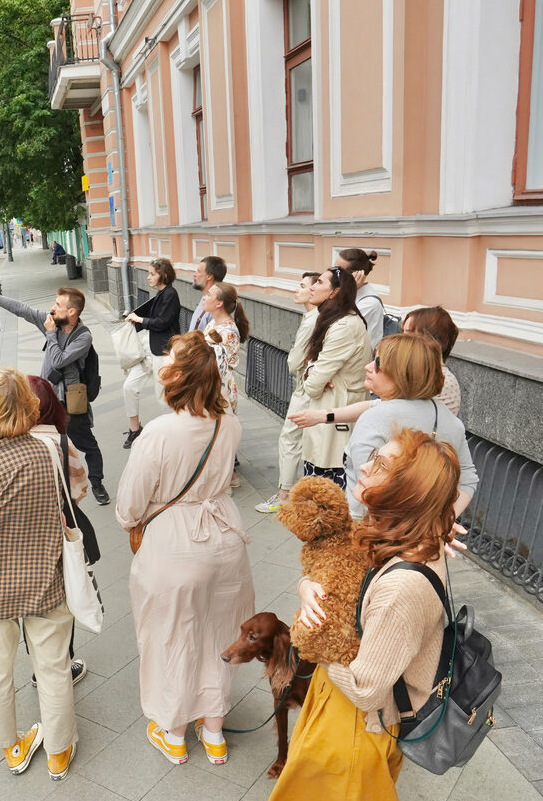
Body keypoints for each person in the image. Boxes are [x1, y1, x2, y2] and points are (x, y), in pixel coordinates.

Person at [264, 427, 462, 801]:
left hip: (365, 716)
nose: (365, 464)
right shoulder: (405, 536)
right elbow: (343, 569)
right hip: (354, 709)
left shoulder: (403, 586)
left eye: (381, 464)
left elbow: (370, 687)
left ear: (407, 494)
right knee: (353, 799)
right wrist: (309, 586)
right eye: (373, 456)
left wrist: (311, 643)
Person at [115, 333, 254, 767]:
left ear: (178, 376)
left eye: (169, 361)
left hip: (175, 545)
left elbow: (131, 504)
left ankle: (174, 732)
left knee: (172, 636)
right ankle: (214, 731)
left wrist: (129, 523)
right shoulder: (228, 424)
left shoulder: (158, 433)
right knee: (218, 632)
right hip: (226, 540)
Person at [0, 368, 78, 780]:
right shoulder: (45, 449)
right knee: (54, 666)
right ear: (28, 406)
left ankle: (11, 747)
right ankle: (59, 750)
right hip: (44, 576)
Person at [0, 283, 109, 505]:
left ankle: (96, 483)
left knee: (88, 445)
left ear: (72, 312)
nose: (52, 308)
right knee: (40, 443)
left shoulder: (83, 337)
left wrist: (50, 334)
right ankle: (49, 485)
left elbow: (58, 360)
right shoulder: (52, 320)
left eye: (58, 305)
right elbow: (23, 309)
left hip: (70, 403)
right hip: (45, 400)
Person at [340, 334, 479, 520]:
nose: (369, 366)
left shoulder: (376, 418)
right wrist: (441, 522)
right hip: (420, 538)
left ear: (404, 372)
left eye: (379, 363)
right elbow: (468, 479)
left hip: (366, 533)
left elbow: (369, 488)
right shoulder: (450, 420)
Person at [279, 265, 370, 488]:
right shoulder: (332, 320)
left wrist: (312, 372)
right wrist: (314, 370)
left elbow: (311, 385)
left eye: (319, 282)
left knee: (329, 494)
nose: (313, 287)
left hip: (335, 420)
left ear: (334, 292)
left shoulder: (344, 325)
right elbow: (313, 371)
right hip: (327, 413)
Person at [28, 375, 91, 685]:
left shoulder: (11, 443)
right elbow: (80, 489)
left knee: (33, 604)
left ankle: (39, 664)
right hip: (60, 531)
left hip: (24, 539)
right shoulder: (62, 442)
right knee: (65, 597)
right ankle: (63, 661)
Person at [256, 272, 323, 514]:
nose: (297, 290)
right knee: (303, 440)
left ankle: (284, 495)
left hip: (305, 387)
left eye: (303, 286)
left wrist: (294, 354)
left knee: (289, 438)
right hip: (310, 386)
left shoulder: (314, 319)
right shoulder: (315, 317)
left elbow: (294, 363)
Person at [122, 257, 180, 448]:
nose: (148, 277)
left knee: (163, 397)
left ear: (163, 275)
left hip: (163, 352)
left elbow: (162, 322)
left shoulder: (171, 294)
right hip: (148, 349)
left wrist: (139, 320)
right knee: (129, 387)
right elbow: (152, 317)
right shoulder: (161, 294)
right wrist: (134, 319)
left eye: (152, 274)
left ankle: (174, 438)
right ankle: (134, 429)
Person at [402, 306, 462, 416]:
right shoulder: (415, 370)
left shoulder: (442, 380)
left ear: (430, 338)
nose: (401, 340)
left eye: (409, 334)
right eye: (403, 333)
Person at [201, 281, 251, 413]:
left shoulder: (228, 333)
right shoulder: (213, 323)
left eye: (208, 294)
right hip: (208, 386)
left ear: (219, 303)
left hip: (218, 391)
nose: (204, 297)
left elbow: (218, 367)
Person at [342, 248, 387, 353]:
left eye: (338, 271)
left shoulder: (369, 304)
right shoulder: (353, 294)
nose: (333, 274)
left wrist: (349, 290)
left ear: (356, 275)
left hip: (359, 361)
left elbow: (340, 326)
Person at [187, 256, 226, 334]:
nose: (194, 274)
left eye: (198, 271)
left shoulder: (216, 307)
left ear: (209, 276)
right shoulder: (205, 298)